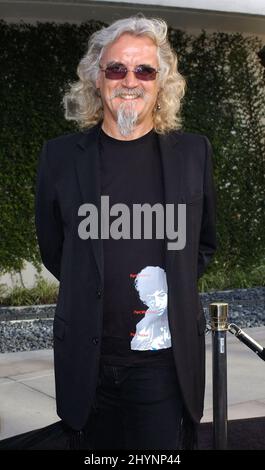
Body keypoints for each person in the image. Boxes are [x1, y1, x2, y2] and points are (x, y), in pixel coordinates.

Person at [34, 14, 217, 450]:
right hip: (88, 358)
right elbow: (55, 250)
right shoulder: (59, 158)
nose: (129, 80)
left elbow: (204, 244)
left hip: (163, 365)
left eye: (144, 70)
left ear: (161, 83)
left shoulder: (193, 153)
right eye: (116, 68)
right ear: (97, 80)